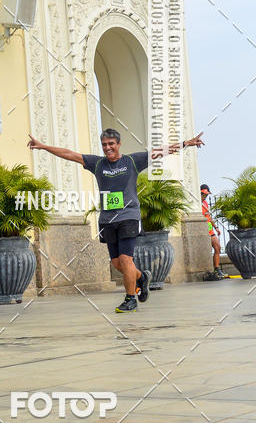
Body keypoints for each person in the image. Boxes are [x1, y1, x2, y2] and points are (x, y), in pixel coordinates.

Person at [27, 128, 205, 313]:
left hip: (129, 216)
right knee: (117, 263)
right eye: (104, 144)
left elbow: (160, 151)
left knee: (126, 259)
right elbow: (70, 154)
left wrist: (185, 143)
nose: (108, 147)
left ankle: (131, 299)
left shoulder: (132, 161)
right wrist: (43, 147)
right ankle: (142, 277)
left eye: (111, 144)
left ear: (119, 144)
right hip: (107, 220)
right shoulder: (97, 164)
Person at [201, 184, 226, 280]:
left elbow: (209, 217)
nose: (204, 196)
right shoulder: (196, 204)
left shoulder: (206, 204)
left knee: (218, 247)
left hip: (210, 229)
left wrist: (216, 227)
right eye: (203, 194)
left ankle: (217, 269)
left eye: (206, 195)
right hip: (202, 230)